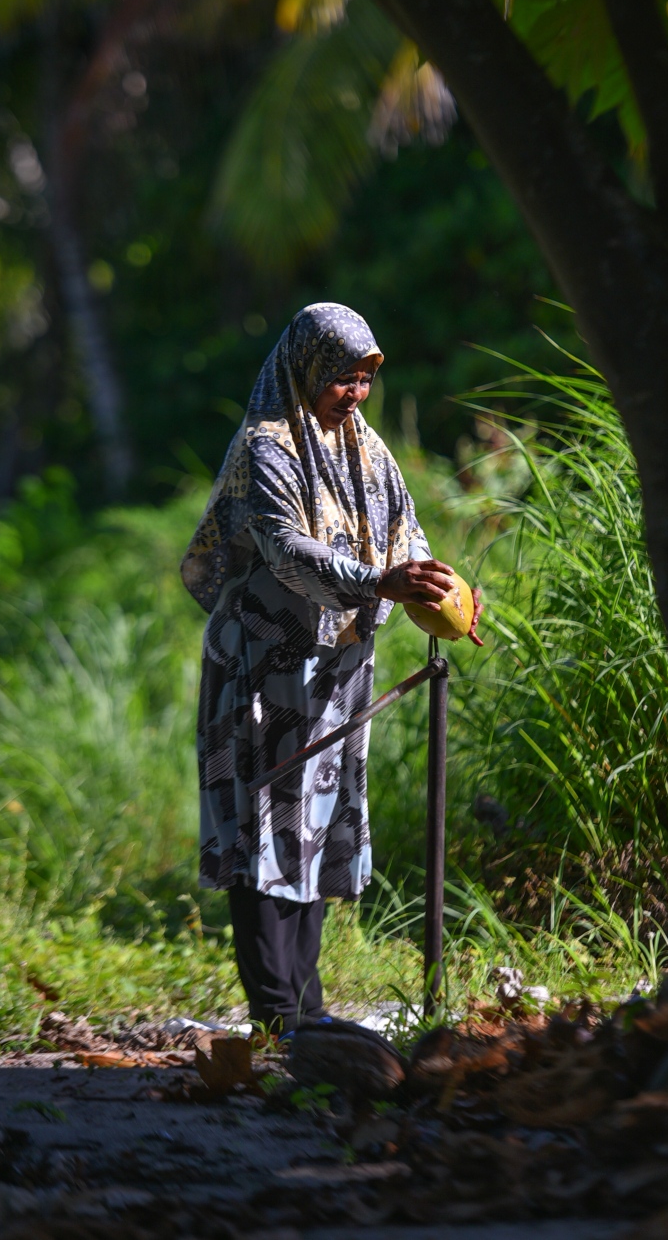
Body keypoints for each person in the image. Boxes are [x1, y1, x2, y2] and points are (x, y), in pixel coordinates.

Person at [181, 303, 481, 1036]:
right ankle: (276, 1015)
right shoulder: (266, 447)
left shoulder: (366, 449)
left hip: (334, 670)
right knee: (263, 824)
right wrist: (378, 582)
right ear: (304, 369)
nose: (355, 392)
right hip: (261, 666)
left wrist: (442, 591)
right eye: (342, 377)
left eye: (364, 378)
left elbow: (406, 534)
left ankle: (306, 1014)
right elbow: (286, 550)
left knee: (312, 823)